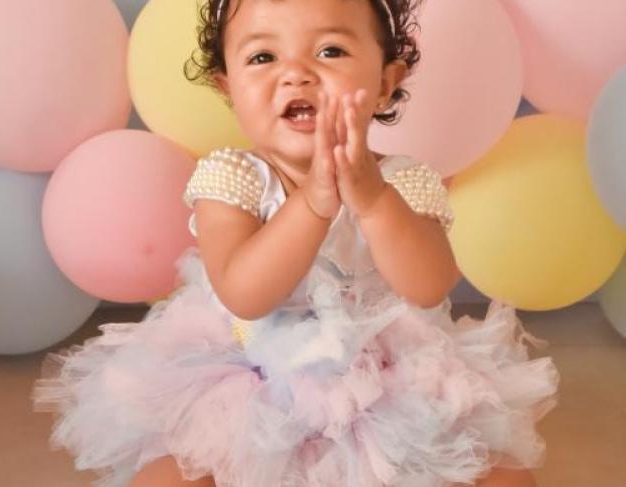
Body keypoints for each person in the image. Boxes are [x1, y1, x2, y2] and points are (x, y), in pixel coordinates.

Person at [32, 0, 560, 486]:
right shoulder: (232, 178)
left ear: (385, 82)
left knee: (506, 479)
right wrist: (313, 202)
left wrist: (374, 200)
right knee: (169, 479)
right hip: (247, 378)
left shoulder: (401, 181)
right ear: (227, 88)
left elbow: (428, 285)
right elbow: (245, 293)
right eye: (263, 57)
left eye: (330, 51)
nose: (296, 73)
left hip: (383, 381)